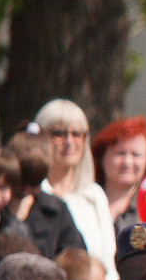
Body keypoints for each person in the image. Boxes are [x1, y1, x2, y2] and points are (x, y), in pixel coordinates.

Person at [31, 102, 115, 270]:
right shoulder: (32, 193)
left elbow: (109, 259)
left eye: (77, 134)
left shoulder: (94, 195)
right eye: (59, 133)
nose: (69, 141)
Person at [92, 119, 146, 238]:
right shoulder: (84, 201)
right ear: (102, 157)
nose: (128, 162)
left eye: (136, 155)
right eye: (120, 153)